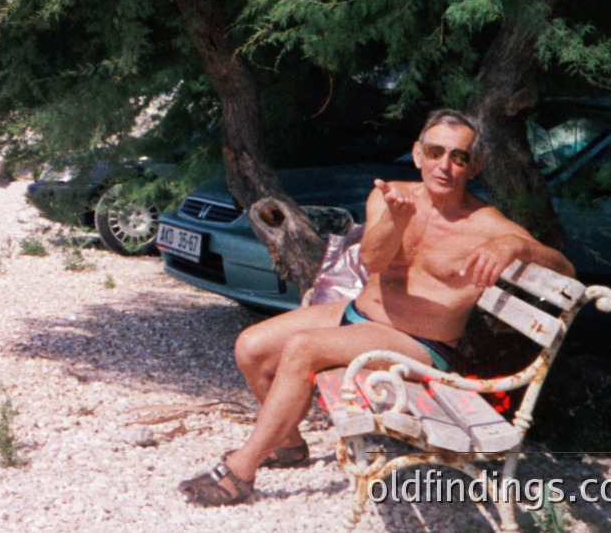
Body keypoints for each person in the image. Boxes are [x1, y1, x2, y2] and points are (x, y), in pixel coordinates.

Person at [179, 108, 574, 506]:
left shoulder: (486, 224)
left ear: (475, 166)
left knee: (304, 347)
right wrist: (396, 222)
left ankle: (240, 471)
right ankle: (288, 445)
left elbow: (565, 269)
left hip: (419, 344)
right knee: (250, 346)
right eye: (436, 152)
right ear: (418, 154)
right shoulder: (391, 196)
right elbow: (372, 261)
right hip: (358, 317)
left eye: (459, 157)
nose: (445, 165)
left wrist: (517, 245)